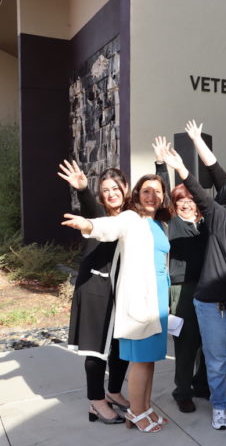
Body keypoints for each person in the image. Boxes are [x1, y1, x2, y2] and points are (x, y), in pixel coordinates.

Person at [160, 145, 226, 431]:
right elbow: (199, 193)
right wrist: (180, 167)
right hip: (212, 305)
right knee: (216, 361)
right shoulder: (219, 218)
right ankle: (220, 406)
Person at [62, 174, 174, 433]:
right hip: (138, 299)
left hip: (157, 299)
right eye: (146, 191)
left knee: (149, 360)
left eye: (157, 192)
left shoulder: (158, 224)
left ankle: (144, 407)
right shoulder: (131, 218)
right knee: (138, 359)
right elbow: (108, 226)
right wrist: (87, 224)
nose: (151, 196)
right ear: (135, 194)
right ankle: (135, 412)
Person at [58, 161, 130, 425]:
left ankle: (112, 392)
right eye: (106, 189)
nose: (111, 193)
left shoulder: (131, 217)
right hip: (95, 288)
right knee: (97, 349)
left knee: (122, 345)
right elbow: (90, 213)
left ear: (125, 189)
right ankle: (96, 401)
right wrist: (84, 189)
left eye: (116, 188)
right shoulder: (99, 214)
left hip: (121, 290)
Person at [154, 138, 210, 414]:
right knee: (186, 343)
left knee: (208, 340)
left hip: (208, 287)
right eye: (181, 200)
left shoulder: (206, 223)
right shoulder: (173, 222)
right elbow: (162, 198)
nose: (186, 204)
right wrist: (161, 164)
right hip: (182, 289)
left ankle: (202, 384)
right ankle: (183, 390)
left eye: (190, 199)